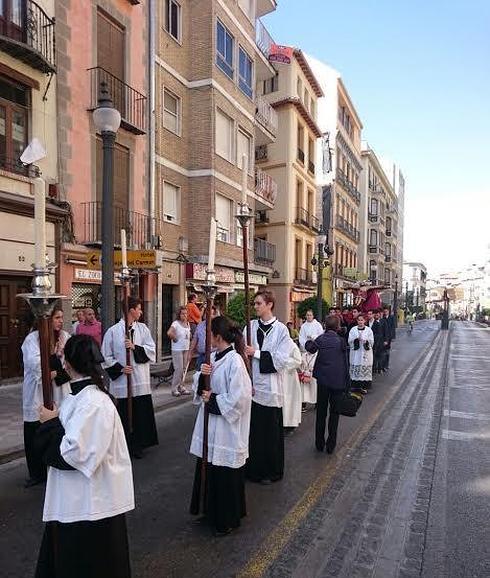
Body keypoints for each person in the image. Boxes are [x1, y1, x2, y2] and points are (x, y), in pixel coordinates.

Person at [34, 335, 134, 578]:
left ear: (67, 364)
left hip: (90, 506)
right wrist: (57, 420)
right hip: (76, 502)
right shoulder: (80, 397)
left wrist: (50, 425)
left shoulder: (94, 402)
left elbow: (75, 453)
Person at [189, 316, 252, 536]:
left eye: (209, 333)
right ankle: (209, 511)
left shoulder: (235, 361)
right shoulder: (213, 357)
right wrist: (201, 378)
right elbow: (198, 382)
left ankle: (227, 518)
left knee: (223, 472)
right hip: (211, 428)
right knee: (209, 468)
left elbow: (241, 398)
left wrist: (213, 399)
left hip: (226, 430)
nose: (207, 338)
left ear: (217, 336)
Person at [244, 290, 293, 484]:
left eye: (258, 303)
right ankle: (253, 469)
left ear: (269, 304)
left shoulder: (282, 330)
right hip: (252, 388)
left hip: (271, 389)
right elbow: (241, 354)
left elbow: (280, 360)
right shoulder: (250, 326)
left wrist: (256, 353)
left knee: (270, 434)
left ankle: (270, 471)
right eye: (254, 304)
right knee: (253, 432)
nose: (255, 307)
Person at [102, 297, 158, 459]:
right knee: (124, 414)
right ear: (131, 310)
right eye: (139, 308)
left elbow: (151, 350)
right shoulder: (113, 331)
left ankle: (139, 444)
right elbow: (106, 355)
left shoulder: (143, 329)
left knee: (139, 413)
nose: (141, 312)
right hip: (122, 382)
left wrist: (135, 347)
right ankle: (123, 444)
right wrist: (120, 368)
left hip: (140, 381)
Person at [21, 307, 71, 488]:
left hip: (59, 389)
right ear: (47, 320)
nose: (60, 321)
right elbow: (36, 366)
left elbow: (70, 360)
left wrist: (58, 366)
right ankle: (37, 472)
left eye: (61, 317)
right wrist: (54, 364)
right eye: (57, 317)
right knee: (35, 429)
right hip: (37, 392)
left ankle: (57, 464)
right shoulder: (32, 339)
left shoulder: (65, 336)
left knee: (58, 427)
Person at [305, 315, 349, 453]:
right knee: (334, 414)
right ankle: (331, 445)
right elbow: (345, 363)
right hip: (337, 381)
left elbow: (310, 349)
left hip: (323, 381)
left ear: (325, 326)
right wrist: (347, 382)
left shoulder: (321, 339)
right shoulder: (341, 341)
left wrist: (308, 341)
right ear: (337, 327)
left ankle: (319, 443)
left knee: (321, 413)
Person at [298, 309, 324, 407]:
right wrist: (306, 344)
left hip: (315, 350)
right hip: (306, 350)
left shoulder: (317, 325)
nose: (308, 317)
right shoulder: (304, 326)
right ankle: (303, 402)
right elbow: (301, 337)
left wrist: (313, 338)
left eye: (310, 315)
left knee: (314, 382)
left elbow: (321, 336)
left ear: (313, 316)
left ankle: (316, 402)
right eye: (307, 315)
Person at [167, 306, 192, 396]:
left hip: (186, 348)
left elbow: (189, 336)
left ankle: (181, 386)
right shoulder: (175, 323)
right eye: (182, 313)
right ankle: (174, 388)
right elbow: (169, 332)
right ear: (179, 314)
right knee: (179, 369)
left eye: (186, 313)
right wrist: (174, 338)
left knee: (184, 369)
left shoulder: (188, 324)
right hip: (177, 349)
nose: (184, 315)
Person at [348, 313, 374, 394]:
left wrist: (366, 341)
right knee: (355, 368)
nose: (360, 322)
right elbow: (349, 341)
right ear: (357, 321)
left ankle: (364, 387)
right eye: (359, 320)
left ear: (365, 321)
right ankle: (355, 386)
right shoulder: (353, 330)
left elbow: (372, 341)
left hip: (365, 353)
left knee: (364, 369)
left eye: (362, 320)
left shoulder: (369, 330)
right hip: (356, 353)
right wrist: (356, 339)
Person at [188, 305, 218, 371]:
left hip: (213, 356)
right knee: (198, 376)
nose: (207, 316)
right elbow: (194, 340)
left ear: (214, 315)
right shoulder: (200, 325)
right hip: (201, 356)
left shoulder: (217, 326)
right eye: (206, 313)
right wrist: (190, 353)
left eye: (210, 314)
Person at [281, 341, 303, 431]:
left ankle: (291, 422)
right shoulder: (275, 344)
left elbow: (298, 360)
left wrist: (284, 361)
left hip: (290, 376)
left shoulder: (291, 345)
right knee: (283, 400)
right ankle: (283, 422)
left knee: (291, 400)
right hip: (280, 375)